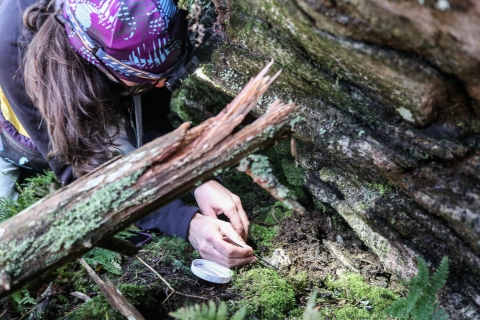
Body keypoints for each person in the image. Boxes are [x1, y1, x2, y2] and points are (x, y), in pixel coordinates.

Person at [0, 0, 255, 267]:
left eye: (167, 76)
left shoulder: (144, 18)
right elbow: (83, 172)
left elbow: (147, 119)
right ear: (96, 60)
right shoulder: (14, 49)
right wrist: (186, 223)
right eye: (147, 80)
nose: (160, 85)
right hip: (21, 131)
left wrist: (196, 176)